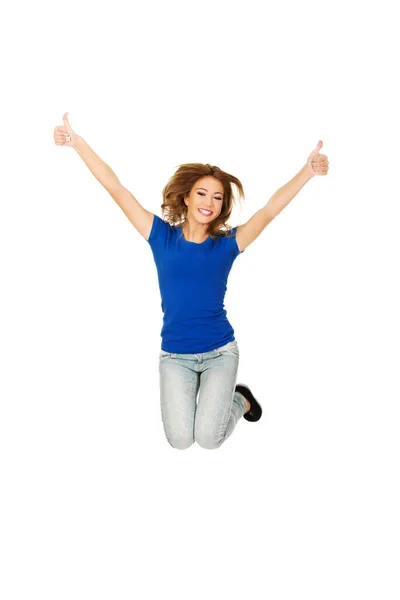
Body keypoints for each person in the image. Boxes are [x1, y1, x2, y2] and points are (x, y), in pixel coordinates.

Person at [54, 113, 329, 450]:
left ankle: (239, 400)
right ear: (186, 198)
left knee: (209, 440)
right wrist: (78, 143)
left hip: (219, 352)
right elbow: (115, 187)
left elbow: (270, 210)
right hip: (175, 355)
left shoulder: (227, 244)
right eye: (202, 193)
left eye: (217, 197)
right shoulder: (160, 237)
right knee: (181, 440)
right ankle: (224, 400)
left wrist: (308, 171)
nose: (209, 203)